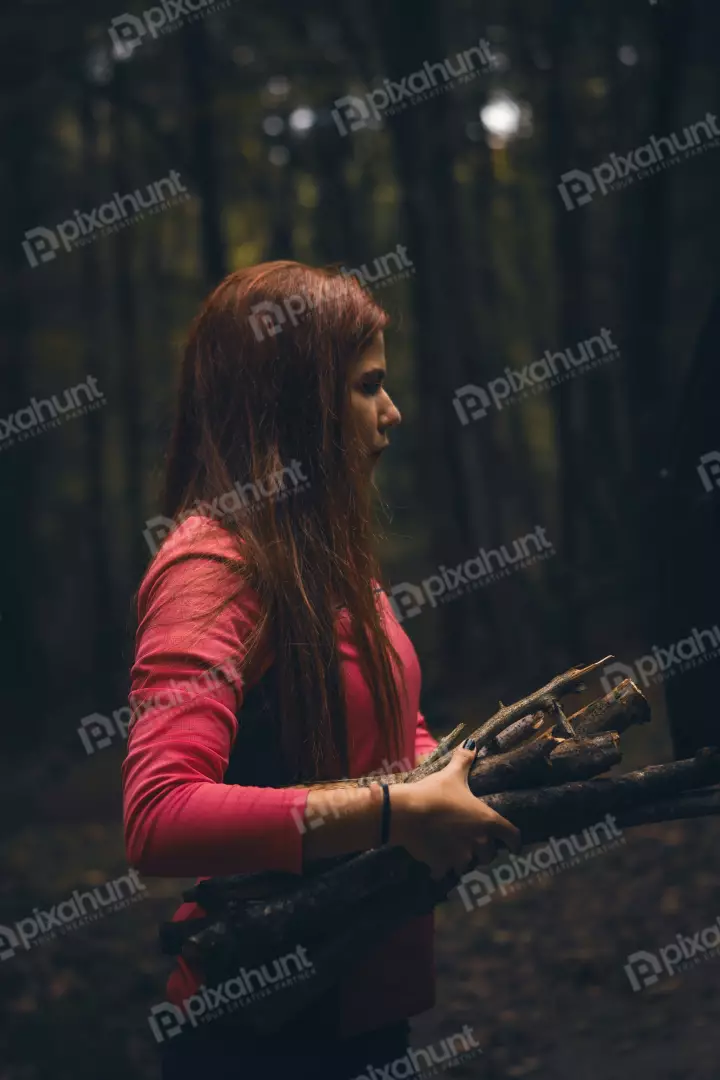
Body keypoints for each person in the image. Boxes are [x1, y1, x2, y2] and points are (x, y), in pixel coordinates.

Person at [121, 261, 521, 1080]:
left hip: (363, 1000)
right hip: (261, 1029)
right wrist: (395, 812)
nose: (394, 413)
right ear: (295, 400)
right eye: (368, 386)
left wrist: (463, 781)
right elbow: (159, 814)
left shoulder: (325, 557)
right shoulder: (213, 563)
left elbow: (389, 721)